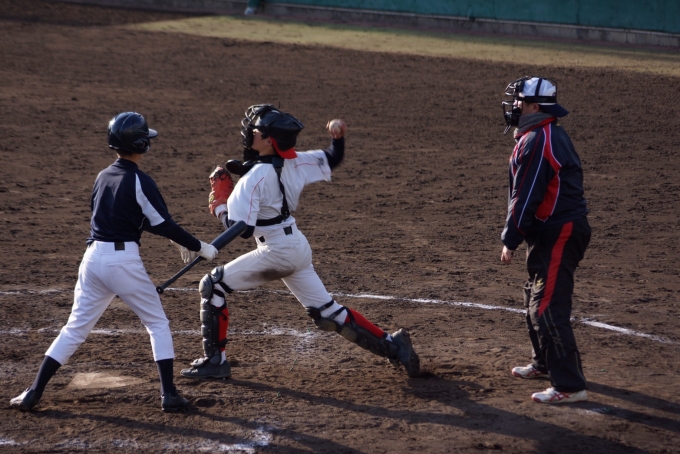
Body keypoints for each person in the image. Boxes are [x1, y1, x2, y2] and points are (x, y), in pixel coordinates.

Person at [177, 104, 420, 380]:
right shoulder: (295, 162)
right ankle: (394, 346)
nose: (249, 132)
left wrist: (220, 206)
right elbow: (332, 158)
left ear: (270, 140)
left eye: (255, 130)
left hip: (276, 252)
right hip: (296, 246)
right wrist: (337, 139)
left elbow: (242, 230)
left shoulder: (252, 180)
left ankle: (215, 361)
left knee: (212, 285)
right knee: (328, 313)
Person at [9, 112, 219, 412]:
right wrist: (200, 246)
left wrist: (177, 239)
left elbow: (126, 217)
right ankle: (169, 394)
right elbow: (162, 223)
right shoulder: (140, 180)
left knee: (74, 329)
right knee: (157, 323)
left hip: (92, 260)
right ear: (142, 145)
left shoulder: (103, 176)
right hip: (122, 262)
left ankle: (33, 392)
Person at [500, 77, 591, 403]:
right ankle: (544, 363)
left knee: (547, 307)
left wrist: (510, 238)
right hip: (548, 230)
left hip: (560, 231)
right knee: (534, 298)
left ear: (535, 107)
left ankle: (570, 386)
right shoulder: (539, 135)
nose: (514, 106)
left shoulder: (540, 139)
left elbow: (526, 195)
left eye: (520, 101)